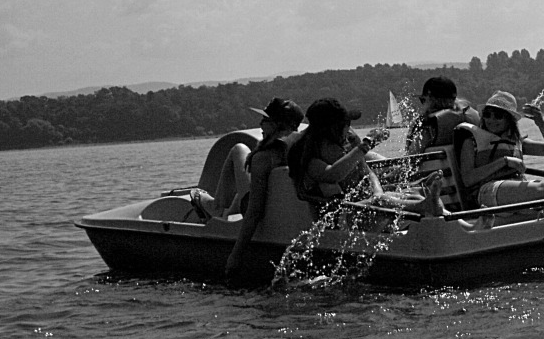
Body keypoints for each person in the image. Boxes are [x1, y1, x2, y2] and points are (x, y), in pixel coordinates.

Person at [190, 98, 305, 279]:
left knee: (239, 149)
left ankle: (215, 207)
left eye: (265, 120)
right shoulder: (299, 148)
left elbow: (254, 212)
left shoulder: (263, 158)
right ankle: (225, 209)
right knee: (246, 185)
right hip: (282, 211)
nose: (260, 124)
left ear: (277, 125)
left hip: (260, 211)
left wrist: (235, 255)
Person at [287, 97, 445, 217]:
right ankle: (425, 206)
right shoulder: (309, 157)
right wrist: (365, 145)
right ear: (331, 128)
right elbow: (333, 175)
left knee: (407, 193)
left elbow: (367, 171)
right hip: (339, 215)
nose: (349, 128)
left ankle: (428, 204)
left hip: (359, 204)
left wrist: (377, 191)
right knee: (380, 201)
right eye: (345, 123)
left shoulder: (343, 146)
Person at [405, 76, 481, 155]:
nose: (423, 104)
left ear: (432, 100)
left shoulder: (430, 127)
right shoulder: (471, 116)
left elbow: (411, 156)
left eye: (423, 100)